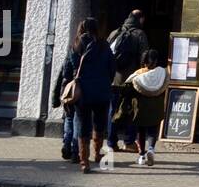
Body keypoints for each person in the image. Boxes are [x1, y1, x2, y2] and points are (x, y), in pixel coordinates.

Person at [66, 18, 114, 173]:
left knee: (82, 125)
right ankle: (97, 153)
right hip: (101, 91)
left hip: (83, 92)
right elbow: (112, 68)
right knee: (99, 124)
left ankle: (84, 161)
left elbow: (69, 69)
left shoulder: (76, 45)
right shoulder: (104, 46)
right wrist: (105, 81)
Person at [106, 10, 149, 152]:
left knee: (113, 111)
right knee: (132, 111)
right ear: (141, 19)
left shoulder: (114, 33)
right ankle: (129, 142)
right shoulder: (140, 35)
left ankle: (111, 143)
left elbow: (106, 54)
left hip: (113, 80)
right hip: (131, 81)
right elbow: (145, 58)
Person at [117, 48, 167, 167]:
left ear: (144, 61)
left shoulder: (138, 75)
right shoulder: (163, 73)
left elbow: (126, 88)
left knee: (141, 131)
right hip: (156, 107)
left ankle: (141, 156)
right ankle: (151, 149)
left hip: (140, 108)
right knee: (152, 130)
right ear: (156, 61)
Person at [52, 49, 78, 161]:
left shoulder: (72, 52)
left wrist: (57, 96)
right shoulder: (94, 50)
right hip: (83, 92)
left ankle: (67, 145)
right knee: (79, 122)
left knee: (69, 118)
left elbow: (63, 75)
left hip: (69, 91)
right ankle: (75, 151)